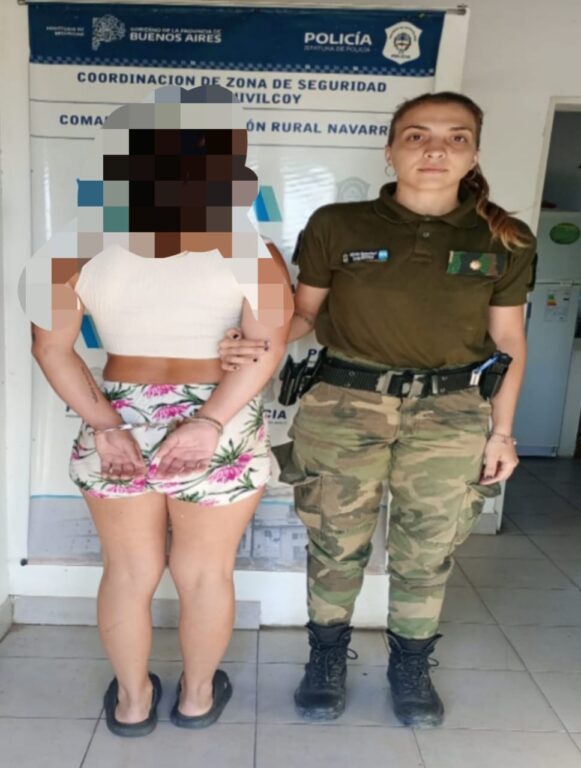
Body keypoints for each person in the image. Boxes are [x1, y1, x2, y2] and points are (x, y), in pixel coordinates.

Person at [218, 91, 536, 727]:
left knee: (428, 549)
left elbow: (508, 341)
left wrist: (502, 432)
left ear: (474, 153)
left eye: (456, 137)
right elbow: (303, 315)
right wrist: (254, 340)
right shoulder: (338, 225)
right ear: (390, 151)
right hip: (344, 406)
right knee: (336, 542)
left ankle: (409, 667)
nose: (435, 149)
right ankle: (326, 660)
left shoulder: (504, 237)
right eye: (417, 136)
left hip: (451, 412)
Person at [27, 85, 292, 736]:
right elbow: (268, 349)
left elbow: (50, 348)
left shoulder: (71, 245)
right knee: (204, 573)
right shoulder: (249, 247)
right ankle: (196, 699)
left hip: (116, 413)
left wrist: (105, 425)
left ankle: (132, 703)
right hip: (221, 413)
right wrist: (208, 423)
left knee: (127, 571)